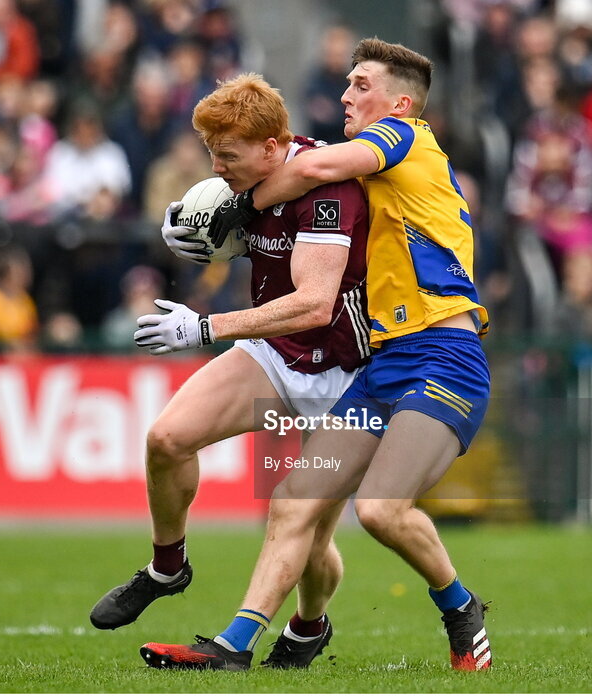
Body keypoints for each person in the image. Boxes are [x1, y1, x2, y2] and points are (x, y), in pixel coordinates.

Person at [141, 38, 492, 672]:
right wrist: (237, 227)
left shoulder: (406, 136)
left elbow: (304, 170)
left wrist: (231, 209)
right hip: (385, 363)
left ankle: (461, 608)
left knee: (382, 511)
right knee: (293, 500)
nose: (345, 95)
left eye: (361, 84)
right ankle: (233, 647)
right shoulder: (377, 173)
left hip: (445, 357)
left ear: (401, 102)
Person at [88, 73, 371, 670]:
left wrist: (204, 327)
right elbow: (247, 230)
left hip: (347, 371)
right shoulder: (248, 177)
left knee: (308, 535)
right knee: (167, 438)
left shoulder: (328, 188)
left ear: (274, 148)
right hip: (276, 352)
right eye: (211, 153)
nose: (217, 168)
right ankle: (168, 567)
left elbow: (316, 301)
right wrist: (198, 232)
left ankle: (306, 627)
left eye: (228, 155)